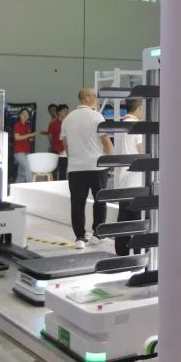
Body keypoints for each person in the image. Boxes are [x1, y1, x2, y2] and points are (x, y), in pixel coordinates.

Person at [61, 88, 113, 250]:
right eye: (94, 96)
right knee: (100, 200)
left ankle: (80, 237)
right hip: (97, 166)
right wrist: (112, 161)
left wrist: (75, 159)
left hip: (76, 168)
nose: (97, 98)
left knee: (77, 203)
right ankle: (98, 233)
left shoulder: (67, 119)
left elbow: (66, 146)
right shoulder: (97, 116)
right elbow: (106, 142)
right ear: (86, 98)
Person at [113, 99, 146, 256]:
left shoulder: (121, 125)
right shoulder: (136, 126)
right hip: (136, 180)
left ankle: (121, 252)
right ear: (139, 108)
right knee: (139, 219)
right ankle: (140, 252)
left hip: (123, 179)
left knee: (124, 218)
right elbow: (142, 152)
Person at [12, 108, 39, 183]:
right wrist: (30, 135)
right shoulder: (17, 124)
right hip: (19, 152)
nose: (25, 115)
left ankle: (17, 187)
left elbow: (26, 138)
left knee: (21, 173)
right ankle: (31, 185)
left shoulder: (27, 126)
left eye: (27, 114)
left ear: (29, 117)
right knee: (28, 168)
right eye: (23, 113)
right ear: (19, 115)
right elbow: (17, 137)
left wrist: (31, 138)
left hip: (27, 151)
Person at [49, 104, 69, 181]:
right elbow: (50, 137)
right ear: (59, 112)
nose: (66, 113)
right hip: (55, 151)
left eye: (67, 111)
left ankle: (62, 187)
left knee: (63, 171)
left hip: (65, 151)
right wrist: (56, 147)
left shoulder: (68, 123)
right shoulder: (53, 124)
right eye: (64, 111)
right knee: (54, 170)